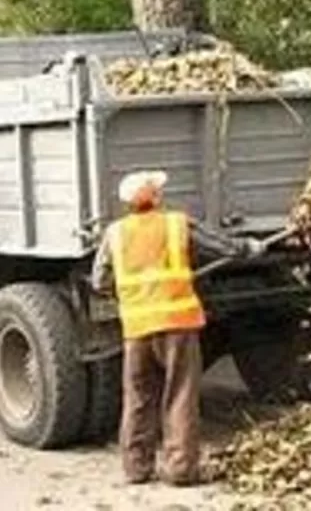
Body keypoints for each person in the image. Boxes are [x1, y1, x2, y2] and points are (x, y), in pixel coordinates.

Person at [91, 169, 266, 486]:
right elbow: (223, 246)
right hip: (177, 326)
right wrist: (252, 248)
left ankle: (136, 469)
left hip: (137, 329)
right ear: (155, 198)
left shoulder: (114, 233)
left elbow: (100, 280)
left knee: (138, 398)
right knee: (180, 395)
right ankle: (181, 470)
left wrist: (130, 295)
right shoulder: (176, 223)